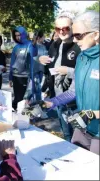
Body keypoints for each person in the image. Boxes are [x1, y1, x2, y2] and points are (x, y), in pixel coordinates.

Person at [44, 11, 99, 155]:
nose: (74, 40)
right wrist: (51, 103)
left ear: (96, 35)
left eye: (78, 35)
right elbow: (73, 91)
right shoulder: (81, 58)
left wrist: (92, 114)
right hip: (82, 128)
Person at [39, 11, 81, 142]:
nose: (62, 32)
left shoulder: (79, 46)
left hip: (74, 102)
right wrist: (40, 60)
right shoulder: (55, 45)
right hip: (58, 98)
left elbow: (85, 73)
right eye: (58, 29)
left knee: (78, 136)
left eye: (66, 28)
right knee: (66, 134)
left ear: (72, 27)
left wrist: (68, 71)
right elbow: (49, 69)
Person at [9, 26, 37, 110]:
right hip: (15, 76)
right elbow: (12, 63)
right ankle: (15, 112)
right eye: (16, 35)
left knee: (23, 98)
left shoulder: (30, 45)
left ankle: (22, 115)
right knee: (17, 96)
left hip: (25, 76)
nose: (18, 37)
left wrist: (34, 45)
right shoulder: (16, 47)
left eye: (19, 35)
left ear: (24, 34)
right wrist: (10, 77)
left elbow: (34, 54)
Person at [24, 30, 47, 102]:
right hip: (34, 70)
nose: (44, 38)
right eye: (43, 36)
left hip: (41, 69)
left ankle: (27, 99)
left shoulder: (43, 46)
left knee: (35, 87)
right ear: (39, 38)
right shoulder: (33, 46)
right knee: (38, 87)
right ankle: (38, 102)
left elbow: (46, 55)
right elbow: (29, 56)